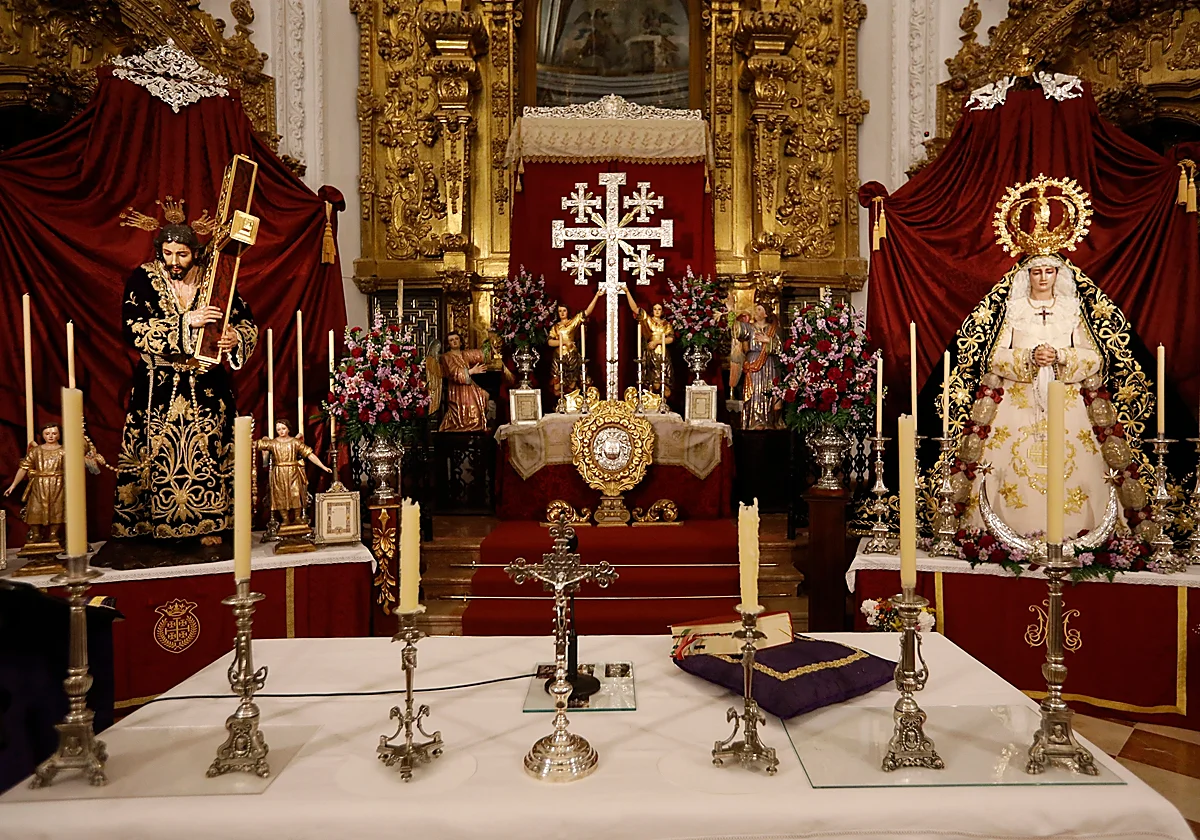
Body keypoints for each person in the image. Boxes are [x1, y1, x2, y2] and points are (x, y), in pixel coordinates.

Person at [960, 255, 1131, 536]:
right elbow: (995, 357)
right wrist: (1029, 356)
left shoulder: (1070, 309)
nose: (1042, 278)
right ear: (1027, 276)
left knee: (1076, 466)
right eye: (1036, 271)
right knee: (1013, 467)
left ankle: (1077, 532)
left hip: (1066, 400)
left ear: (1057, 274)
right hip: (1018, 400)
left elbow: (1093, 358)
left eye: (1049, 271)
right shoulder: (1015, 309)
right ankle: (1008, 532)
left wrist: (1060, 356)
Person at [111, 223, 258, 542]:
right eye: (168, 254)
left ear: (196, 253)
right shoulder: (143, 279)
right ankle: (151, 524)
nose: (174, 261)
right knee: (159, 451)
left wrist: (235, 338)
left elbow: (246, 322)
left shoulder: (216, 279)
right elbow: (132, 328)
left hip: (206, 385)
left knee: (208, 448)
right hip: (159, 385)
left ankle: (212, 522)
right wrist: (185, 322)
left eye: (182, 254)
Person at [256, 419, 331, 526]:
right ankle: (285, 519)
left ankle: (297, 517)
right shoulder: (273, 443)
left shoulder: (295, 442)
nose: (281, 431)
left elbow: (310, 454)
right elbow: (257, 444)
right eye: (278, 429)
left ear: (288, 429)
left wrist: (323, 466)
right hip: (279, 472)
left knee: (296, 494)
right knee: (280, 495)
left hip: (293, 472)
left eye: (283, 428)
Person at [4, 423, 64, 548]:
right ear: (42, 435)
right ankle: (36, 533)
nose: (51, 436)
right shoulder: (36, 451)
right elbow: (24, 468)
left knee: (57, 509)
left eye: (54, 433)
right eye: (47, 434)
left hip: (58, 484)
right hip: (39, 485)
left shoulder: (64, 451)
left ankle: (54, 534)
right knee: (35, 509)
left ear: (59, 434)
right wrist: (13, 485)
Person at [730, 302, 784, 429]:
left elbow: (781, 348)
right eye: (756, 309)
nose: (755, 312)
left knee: (769, 391)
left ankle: (770, 422)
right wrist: (731, 311)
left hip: (769, 363)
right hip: (754, 361)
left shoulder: (774, 329)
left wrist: (769, 341)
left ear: (765, 314)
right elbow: (735, 330)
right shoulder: (749, 328)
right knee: (755, 391)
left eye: (759, 309)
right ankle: (754, 421)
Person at [548, 289, 604, 397]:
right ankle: (561, 402)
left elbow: (587, 312)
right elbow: (550, 342)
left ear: (568, 311)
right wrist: (563, 342)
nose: (562, 313)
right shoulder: (555, 327)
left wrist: (597, 295)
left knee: (572, 381)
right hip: (559, 357)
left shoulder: (572, 323)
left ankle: (571, 400)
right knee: (557, 383)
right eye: (560, 311)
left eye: (564, 310)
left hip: (571, 356)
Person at [625, 286, 675, 399]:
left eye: (659, 309)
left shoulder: (666, 324)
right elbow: (635, 309)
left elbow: (671, 338)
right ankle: (652, 401)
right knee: (653, 382)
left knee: (665, 383)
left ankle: (663, 402)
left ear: (662, 311)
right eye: (655, 309)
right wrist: (627, 291)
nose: (657, 311)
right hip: (651, 354)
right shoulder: (649, 321)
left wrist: (657, 341)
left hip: (662, 354)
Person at [439, 331, 489, 432]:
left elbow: (482, 354)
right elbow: (453, 373)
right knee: (471, 410)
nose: (454, 342)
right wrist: (471, 371)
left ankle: (477, 426)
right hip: (457, 390)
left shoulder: (465, 354)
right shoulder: (446, 357)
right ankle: (467, 426)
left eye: (456, 339)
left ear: (461, 342)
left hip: (469, 387)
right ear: (448, 344)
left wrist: (489, 342)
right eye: (451, 340)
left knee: (485, 395)